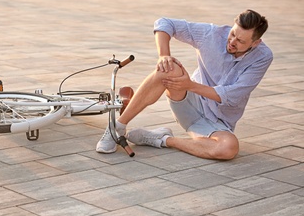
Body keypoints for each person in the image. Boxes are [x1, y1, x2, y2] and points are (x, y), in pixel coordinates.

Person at [96, 9, 272, 160]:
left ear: (256, 43)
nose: (232, 41)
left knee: (229, 148)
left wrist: (189, 85)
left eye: (241, 41)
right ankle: (116, 127)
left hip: (219, 121)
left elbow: (232, 94)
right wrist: (164, 55)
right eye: (233, 34)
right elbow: (165, 23)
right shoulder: (212, 34)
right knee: (168, 68)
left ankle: (162, 139)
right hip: (189, 102)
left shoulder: (263, 57)